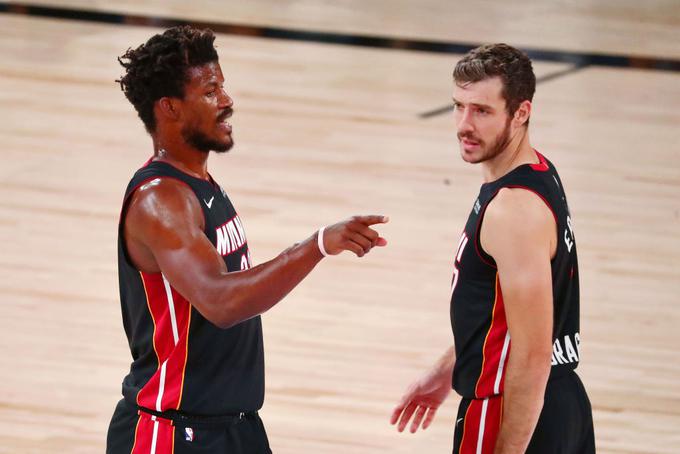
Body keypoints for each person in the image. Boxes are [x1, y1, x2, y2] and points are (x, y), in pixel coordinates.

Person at [106, 25, 388, 454]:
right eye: (210, 90)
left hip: (234, 426)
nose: (227, 100)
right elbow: (221, 302)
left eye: (223, 86)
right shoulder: (161, 200)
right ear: (170, 108)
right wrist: (316, 245)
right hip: (172, 433)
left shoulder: (199, 184)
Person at [390, 44, 595, 453]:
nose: (464, 124)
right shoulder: (538, 171)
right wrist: (447, 369)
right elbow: (499, 317)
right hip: (561, 403)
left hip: (511, 409)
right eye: (458, 106)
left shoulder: (512, 210)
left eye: (482, 111)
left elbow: (532, 356)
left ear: (521, 112)